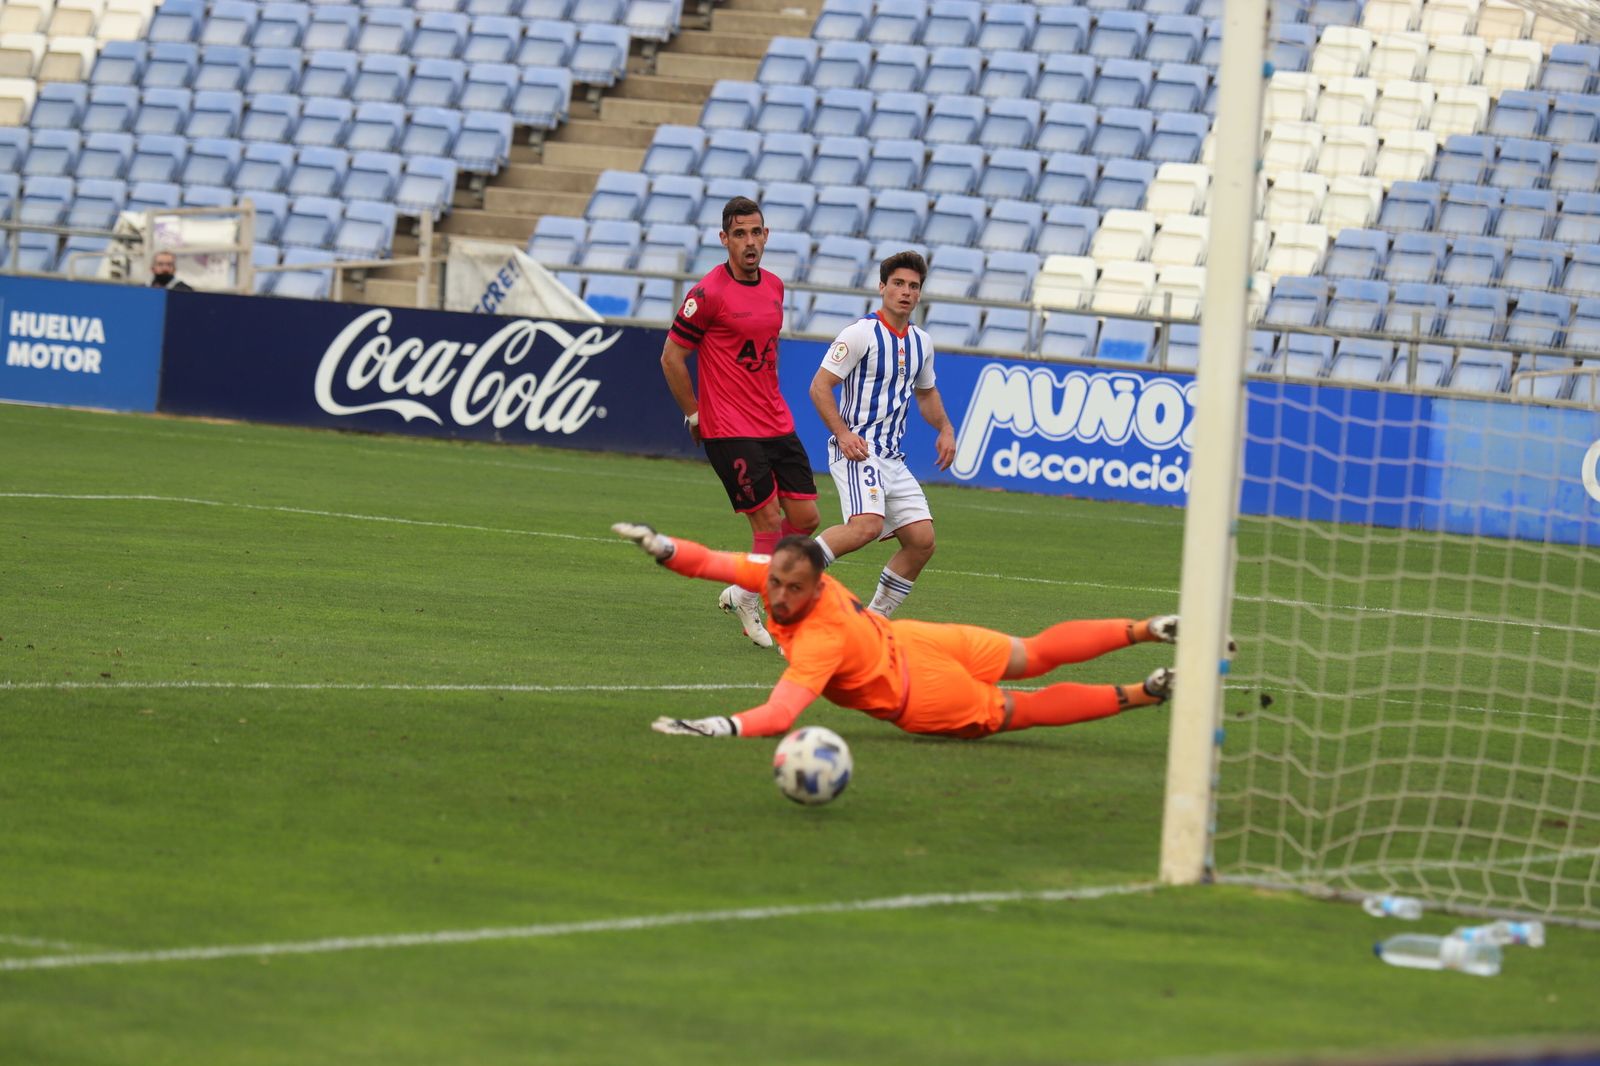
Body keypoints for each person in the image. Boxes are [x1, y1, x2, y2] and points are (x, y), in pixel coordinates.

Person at [613, 523, 1187, 740]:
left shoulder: (820, 641)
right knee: (1032, 654)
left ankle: (1146, 675)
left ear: (817, 587)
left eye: (793, 590)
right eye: (776, 585)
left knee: (1024, 707)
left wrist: (721, 726)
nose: (780, 597)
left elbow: (781, 714)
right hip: (915, 641)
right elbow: (712, 562)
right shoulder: (783, 574)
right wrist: (662, 547)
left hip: (920, 693)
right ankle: (1147, 640)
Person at [660, 196, 818, 650]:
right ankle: (763, 610)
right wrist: (695, 413)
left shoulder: (775, 286)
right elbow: (671, 357)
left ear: (766, 236)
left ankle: (744, 589)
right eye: (740, 234)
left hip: (774, 419)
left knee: (806, 519)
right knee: (767, 523)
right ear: (724, 239)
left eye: (756, 233)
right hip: (728, 427)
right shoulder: (707, 294)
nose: (749, 242)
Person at [809, 250, 955, 617]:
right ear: (882, 287)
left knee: (922, 541)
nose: (906, 292)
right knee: (865, 526)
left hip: (892, 457)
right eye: (898, 283)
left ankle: (873, 622)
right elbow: (820, 386)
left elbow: (926, 393)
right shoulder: (860, 334)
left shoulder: (922, 342)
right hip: (858, 449)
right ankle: (785, 579)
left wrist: (945, 428)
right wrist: (843, 434)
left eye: (914, 286)